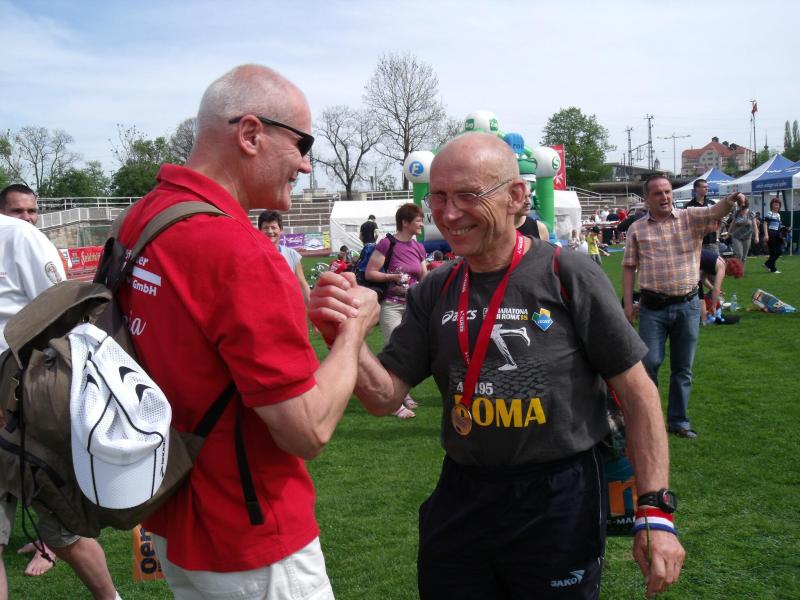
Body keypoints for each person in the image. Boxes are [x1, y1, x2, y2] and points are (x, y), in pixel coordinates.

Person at [311, 132, 685, 599]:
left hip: (557, 498)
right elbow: (384, 397)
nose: (449, 214)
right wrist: (344, 335)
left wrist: (656, 510)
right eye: (438, 197)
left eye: (468, 195)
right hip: (463, 493)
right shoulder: (436, 288)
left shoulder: (568, 274)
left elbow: (637, 392)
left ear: (516, 196)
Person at [116, 64, 379, 600]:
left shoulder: (143, 217)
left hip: (169, 514)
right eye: (302, 144)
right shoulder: (240, 250)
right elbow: (307, 431)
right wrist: (354, 329)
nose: (306, 164)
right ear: (251, 134)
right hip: (251, 537)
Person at [0, 184, 120, 600]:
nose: (28, 217)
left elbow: (64, 313)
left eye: (32, 210)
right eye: (19, 210)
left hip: (24, 402)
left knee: (63, 528)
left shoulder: (19, 237)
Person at [623, 177, 739, 439]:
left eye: (667, 192)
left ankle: (678, 421)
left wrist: (730, 201)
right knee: (649, 363)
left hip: (687, 305)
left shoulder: (690, 218)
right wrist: (628, 304)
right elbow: (629, 267)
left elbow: (715, 211)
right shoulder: (637, 229)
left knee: (683, 368)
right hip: (652, 308)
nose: (664, 197)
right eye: (657, 193)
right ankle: (649, 420)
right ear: (647, 198)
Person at [365, 203, 427, 418]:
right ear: (405, 222)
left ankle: (403, 393)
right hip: (392, 305)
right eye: (418, 220)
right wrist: (392, 277)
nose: (421, 224)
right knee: (394, 351)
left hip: (413, 308)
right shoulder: (387, 243)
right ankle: (395, 403)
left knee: (410, 352)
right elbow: (370, 272)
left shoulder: (418, 247)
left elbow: (424, 277)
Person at [258, 209, 311, 305]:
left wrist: (311, 307)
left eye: (273, 227)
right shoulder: (253, 255)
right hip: (263, 307)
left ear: (281, 230)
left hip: (288, 307)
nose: (270, 231)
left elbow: (302, 284)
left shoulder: (292, 254)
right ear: (259, 231)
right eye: (265, 228)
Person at [686, 179, 720, 253]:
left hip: (712, 242)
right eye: (704, 187)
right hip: (696, 243)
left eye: (707, 187)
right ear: (697, 189)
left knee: (715, 260)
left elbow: (718, 220)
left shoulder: (712, 203)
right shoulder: (689, 206)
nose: (707, 189)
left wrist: (717, 237)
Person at [727, 195, 759, 269]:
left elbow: (755, 226)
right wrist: (728, 234)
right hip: (736, 237)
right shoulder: (737, 213)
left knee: (744, 257)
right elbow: (732, 224)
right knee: (739, 254)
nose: (742, 204)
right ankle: (736, 269)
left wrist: (757, 237)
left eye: (743, 202)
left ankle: (740, 270)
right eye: (740, 202)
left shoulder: (751, 213)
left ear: (746, 203)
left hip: (747, 237)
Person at [763, 197, 783, 273]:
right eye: (775, 204)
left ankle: (767, 264)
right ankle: (773, 269)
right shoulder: (769, 213)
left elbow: (779, 226)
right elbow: (765, 224)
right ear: (771, 205)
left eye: (777, 205)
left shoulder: (778, 215)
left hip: (777, 236)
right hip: (771, 235)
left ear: (779, 206)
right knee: (773, 253)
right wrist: (766, 235)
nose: (776, 206)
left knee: (779, 251)